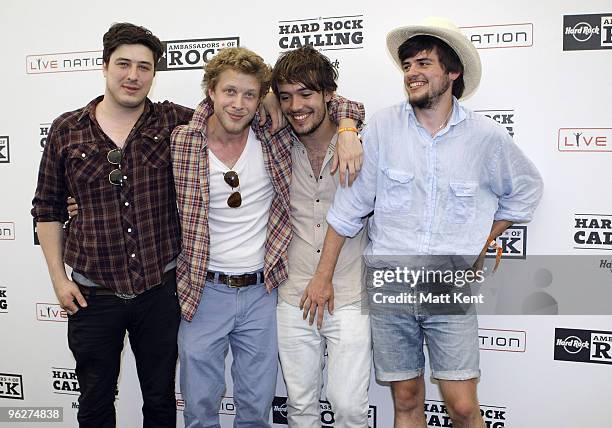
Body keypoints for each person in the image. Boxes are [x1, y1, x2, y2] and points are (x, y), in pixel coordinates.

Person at [306, 17, 543, 428]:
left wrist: (483, 240)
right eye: (408, 67)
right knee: (407, 400)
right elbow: (349, 208)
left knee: (464, 406)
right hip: (390, 285)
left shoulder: (485, 137)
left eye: (422, 64)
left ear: (452, 73)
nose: (412, 73)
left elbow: (525, 191)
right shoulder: (382, 126)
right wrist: (322, 275)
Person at [170, 47, 364, 427]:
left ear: (261, 99)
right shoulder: (180, 141)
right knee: (199, 406)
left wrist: (347, 127)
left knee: (256, 408)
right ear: (210, 92)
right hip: (203, 292)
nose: (238, 103)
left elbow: (336, 101)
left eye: (249, 94)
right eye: (229, 92)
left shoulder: (272, 135)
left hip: (264, 291)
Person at [31, 23, 190, 427]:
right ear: (104, 67)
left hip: (160, 290)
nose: (133, 76)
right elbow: (47, 209)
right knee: (95, 400)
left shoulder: (175, 122)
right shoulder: (67, 130)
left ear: (155, 74)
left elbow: (241, 106)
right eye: (123, 64)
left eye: (144, 67)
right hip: (90, 294)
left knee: (159, 399)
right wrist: (58, 280)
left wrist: (346, 123)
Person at [271, 46, 371, 427]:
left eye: (306, 93)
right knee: (299, 406)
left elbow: (351, 107)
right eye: (287, 96)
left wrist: (348, 128)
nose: (296, 106)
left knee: (348, 406)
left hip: (348, 294)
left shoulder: (362, 143)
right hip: (293, 294)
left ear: (329, 95)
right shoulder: (276, 144)